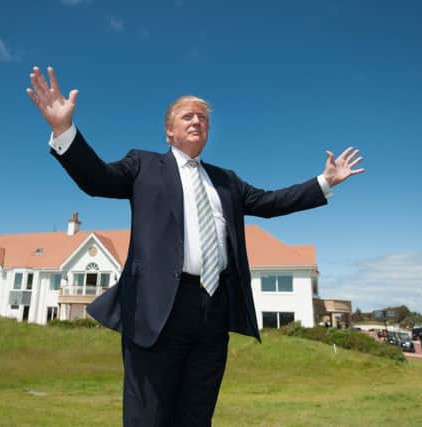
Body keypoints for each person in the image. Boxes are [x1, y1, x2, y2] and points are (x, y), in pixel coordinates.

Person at [26, 66, 364, 426]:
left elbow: (270, 203)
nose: (196, 121)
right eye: (187, 116)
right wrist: (63, 129)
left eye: (203, 118)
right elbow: (97, 179)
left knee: (196, 414)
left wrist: (325, 181)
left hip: (213, 310)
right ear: (169, 131)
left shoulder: (226, 181)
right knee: (149, 415)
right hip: (156, 309)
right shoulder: (144, 165)